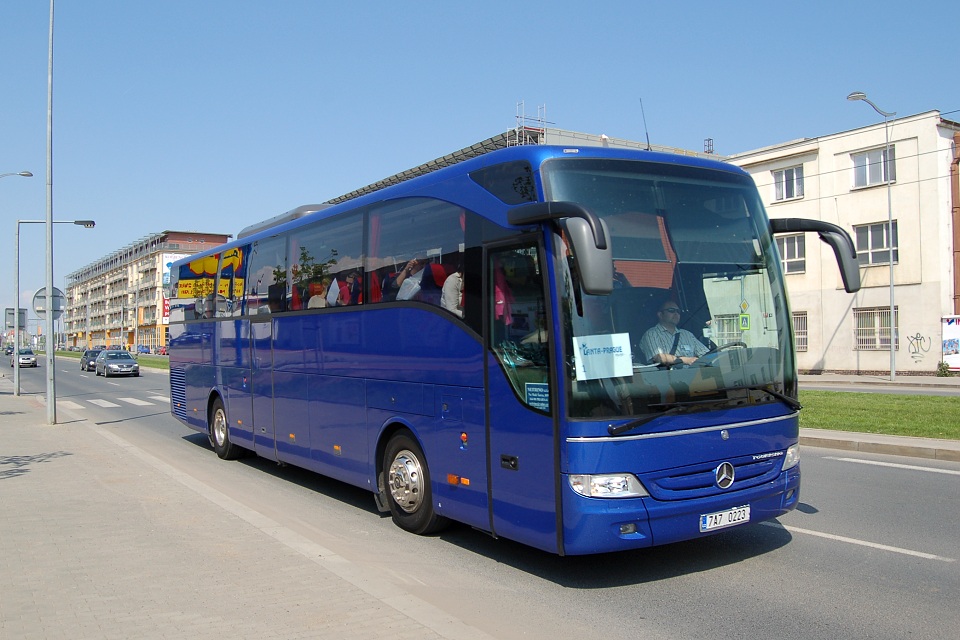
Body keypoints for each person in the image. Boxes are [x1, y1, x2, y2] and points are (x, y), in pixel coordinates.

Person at [639, 300, 708, 365]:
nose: (676, 314)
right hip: (667, 376)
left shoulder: (688, 335)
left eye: (678, 311)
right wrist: (685, 360)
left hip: (693, 375)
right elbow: (658, 357)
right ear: (660, 314)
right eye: (671, 310)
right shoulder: (651, 334)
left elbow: (705, 354)